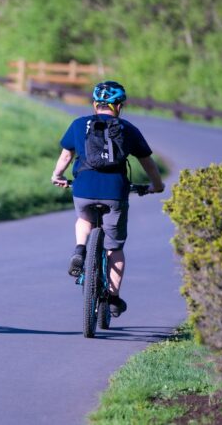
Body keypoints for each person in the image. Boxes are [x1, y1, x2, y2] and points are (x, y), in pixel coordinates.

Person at [50, 81, 164, 317]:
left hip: (83, 188)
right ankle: (113, 299)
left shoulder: (80, 124)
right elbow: (147, 162)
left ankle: (80, 250)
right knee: (114, 247)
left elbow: (65, 155)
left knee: (84, 218)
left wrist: (57, 175)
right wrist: (157, 185)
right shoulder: (128, 129)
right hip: (115, 192)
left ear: (95, 104)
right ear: (119, 107)